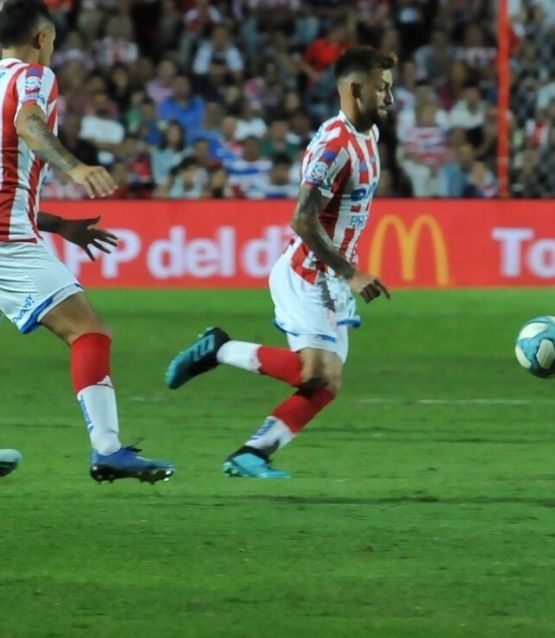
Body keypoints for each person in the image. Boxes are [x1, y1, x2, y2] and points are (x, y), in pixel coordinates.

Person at [165, 46, 395, 478]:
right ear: (355, 89)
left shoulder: (368, 136)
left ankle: (253, 452)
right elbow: (302, 219)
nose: (390, 98)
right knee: (316, 371)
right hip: (311, 274)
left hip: (333, 278)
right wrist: (351, 273)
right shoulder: (336, 147)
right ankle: (219, 349)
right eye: (382, 89)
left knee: (325, 384)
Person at [0, 0, 175, 482]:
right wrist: (75, 167)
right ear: (40, 38)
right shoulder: (32, 75)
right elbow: (28, 123)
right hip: (6, 241)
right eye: (53, 40)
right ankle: (108, 450)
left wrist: (58, 225)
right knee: (88, 331)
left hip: (14, 227)